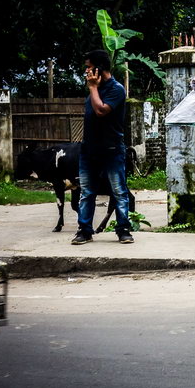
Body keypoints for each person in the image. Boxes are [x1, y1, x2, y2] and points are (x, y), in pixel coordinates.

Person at [72, 49, 133, 245]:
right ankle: (84, 230)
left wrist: (92, 87)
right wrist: (93, 88)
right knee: (87, 192)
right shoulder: (94, 89)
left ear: (98, 69)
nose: (86, 72)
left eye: (88, 68)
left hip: (112, 150)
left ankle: (123, 229)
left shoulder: (116, 89)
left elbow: (100, 111)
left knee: (119, 191)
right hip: (89, 150)